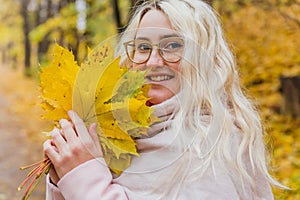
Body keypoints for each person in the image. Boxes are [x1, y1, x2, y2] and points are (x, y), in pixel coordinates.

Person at [43, 0, 284, 199]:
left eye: (172, 46)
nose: (153, 62)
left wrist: (86, 180)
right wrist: (65, 175)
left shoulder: (214, 146)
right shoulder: (120, 132)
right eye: (143, 47)